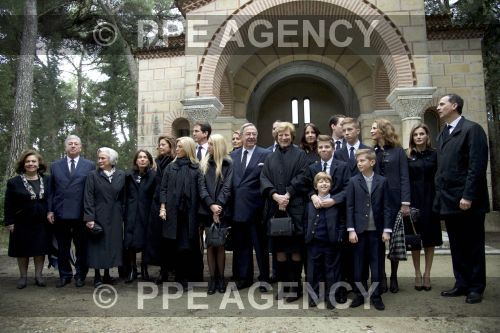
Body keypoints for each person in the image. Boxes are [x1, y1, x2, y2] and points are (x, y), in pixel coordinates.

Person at [435, 94, 489, 304]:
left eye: (442, 104)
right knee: (457, 245)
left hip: (468, 202)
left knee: (473, 245)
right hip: (449, 201)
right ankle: (462, 283)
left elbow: (476, 166)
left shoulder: (472, 129)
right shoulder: (442, 135)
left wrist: (468, 195)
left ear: (454, 105)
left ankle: (476, 287)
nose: (438, 107)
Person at [260, 121, 310, 302]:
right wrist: (275, 196)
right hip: (276, 210)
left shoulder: (301, 155)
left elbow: (303, 177)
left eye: (287, 134)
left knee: (295, 252)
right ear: (276, 137)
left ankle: (295, 289)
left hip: (295, 209)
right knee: (279, 252)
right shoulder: (270, 157)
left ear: (292, 136)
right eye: (280, 135)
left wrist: (287, 194)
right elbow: (264, 178)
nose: (283, 137)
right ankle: (283, 287)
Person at [304, 134, 350, 303]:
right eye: (321, 147)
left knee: (334, 265)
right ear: (317, 149)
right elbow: (307, 187)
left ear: (333, 148)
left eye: (327, 147)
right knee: (314, 267)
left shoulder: (343, 166)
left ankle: (335, 295)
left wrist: (334, 200)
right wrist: (312, 197)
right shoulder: (312, 167)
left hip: (335, 215)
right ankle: (314, 297)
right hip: (315, 217)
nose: (324, 150)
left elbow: (347, 188)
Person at [47, 135, 95, 288]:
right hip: (61, 213)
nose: (73, 146)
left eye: (76, 144)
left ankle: (80, 275)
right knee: (63, 247)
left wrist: (91, 213)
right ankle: (65, 275)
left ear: (80, 147)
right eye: (70, 144)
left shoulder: (90, 165)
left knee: (81, 247)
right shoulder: (55, 166)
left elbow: (92, 191)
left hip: (81, 213)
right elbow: (51, 191)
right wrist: (50, 210)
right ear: (65, 147)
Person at [347, 149, 392, 311]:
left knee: (377, 265)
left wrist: (387, 229)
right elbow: (350, 207)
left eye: (362, 160)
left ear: (372, 162)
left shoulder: (382, 181)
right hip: (359, 232)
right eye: (358, 161)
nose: (359, 163)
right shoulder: (353, 181)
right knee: (359, 265)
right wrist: (351, 229)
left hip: (377, 232)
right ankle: (360, 295)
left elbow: (387, 207)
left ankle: (376, 296)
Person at [371, 118, 411, 293]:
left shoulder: (398, 151)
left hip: (395, 201)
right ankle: (382, 277)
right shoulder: (372, 152)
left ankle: (394, 275)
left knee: (394, 242)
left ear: (382, 130)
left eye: (374, 128)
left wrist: (405, 202)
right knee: (379, 242)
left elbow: (404, 177)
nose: (371, 131)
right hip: (377, 203)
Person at [231, 123, 271, 291]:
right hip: (237, 209)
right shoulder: (232, 156)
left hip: (257, 209)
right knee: (241, 246)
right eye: (248, 134)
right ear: (241, 136)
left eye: (254, 134)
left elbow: (268, 179)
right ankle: (244, 278)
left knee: (260, 247)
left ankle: (264, 279)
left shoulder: (266, 154)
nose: (251, 137)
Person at [159, 137, 202, 290]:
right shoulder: (170, 167)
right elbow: (163, 189)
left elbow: (201, 191)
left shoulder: (196, 168)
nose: (176, 149)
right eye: (176, 146)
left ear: (188, 149)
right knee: (174, 246)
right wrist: (162, 207)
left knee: (188, 247)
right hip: (172, 214)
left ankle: (187, 277)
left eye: (180, 147)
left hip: (189, 214)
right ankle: (178, 277)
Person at [4, 150, 51, 289]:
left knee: (40, 249)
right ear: (23, 164)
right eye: (28, 162)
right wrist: (9, 221)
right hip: (21, 222)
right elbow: (8, 203)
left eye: (33, 161)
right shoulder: (14, 182)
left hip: (41, 221)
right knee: (22, 250)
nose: (31, 164)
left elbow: (51, 198)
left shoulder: (47, 179)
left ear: (39, 163)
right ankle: (23, 277)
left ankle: (39, 276)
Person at [406, 124, 442, 291]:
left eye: (422, 134)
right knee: (415, 240)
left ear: (427, 136)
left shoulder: (435, 154)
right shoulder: (408, 155)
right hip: (413, 201)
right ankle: (417, 273)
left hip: (431, 200)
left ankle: (427, 274)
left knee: (430, 239)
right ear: (412, 138)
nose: (419, 137)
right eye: (416, 135)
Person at [84, 147, 125, 288]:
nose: (99, 161)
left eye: (103, 158)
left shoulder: (121, 175)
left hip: (115, 215)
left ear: (111, 160)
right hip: (98, 214)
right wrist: (89, 218)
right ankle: (97, 275)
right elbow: (88, 197)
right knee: (97, 245)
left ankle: (107, 274)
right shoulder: (92, 175)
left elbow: (123, 197)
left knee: (111, 245)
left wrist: (123, 214)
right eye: (99, 158)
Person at [198, 134, 233, 294]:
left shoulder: (228, 164)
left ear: (217, 146)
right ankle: (212, 279)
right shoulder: (203, 163)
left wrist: (218, 206)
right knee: (210, 245)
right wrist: (211, 205)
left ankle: (221, 279)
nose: (208, 146)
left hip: (223, 211)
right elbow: (201, 187)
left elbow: (227, 187)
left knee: (220, 246)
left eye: (211, 144)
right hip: (206, 210)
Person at [305, 172, 344, 309]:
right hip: (313, 242)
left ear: (331, 185)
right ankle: (313, 297)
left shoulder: (335, 202)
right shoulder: (310, 204)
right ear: (315, 186)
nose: (324, 183)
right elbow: (306, 221)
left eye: (327, 181)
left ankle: (331, 298)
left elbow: (341, 222)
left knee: (331, 271)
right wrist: (307, 235)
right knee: (313, 272)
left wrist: (339, 236)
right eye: (320, 182)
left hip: (330, 243)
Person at [145, 136, 176, 283]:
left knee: (169, 239)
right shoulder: (157, 162)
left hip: (170, 205)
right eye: (159, 144)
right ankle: (163, 269)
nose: (160, 147)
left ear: (171, 146)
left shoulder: (173, 162)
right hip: (156, 204)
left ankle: (170, 269)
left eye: (163, 144)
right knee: (158, 238)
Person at [124, 149, 156, 283]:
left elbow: (156, 194)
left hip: (147, 212)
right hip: (131, 213)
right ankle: (132, 269)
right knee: (131, 241)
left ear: (149, 160)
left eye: (145, 157)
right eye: (140, 157)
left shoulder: (153, 176)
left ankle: (144, 269)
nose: (142, 159)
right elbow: (125, 195)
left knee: (146, 241)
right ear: (136, 161)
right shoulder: (129, 176)